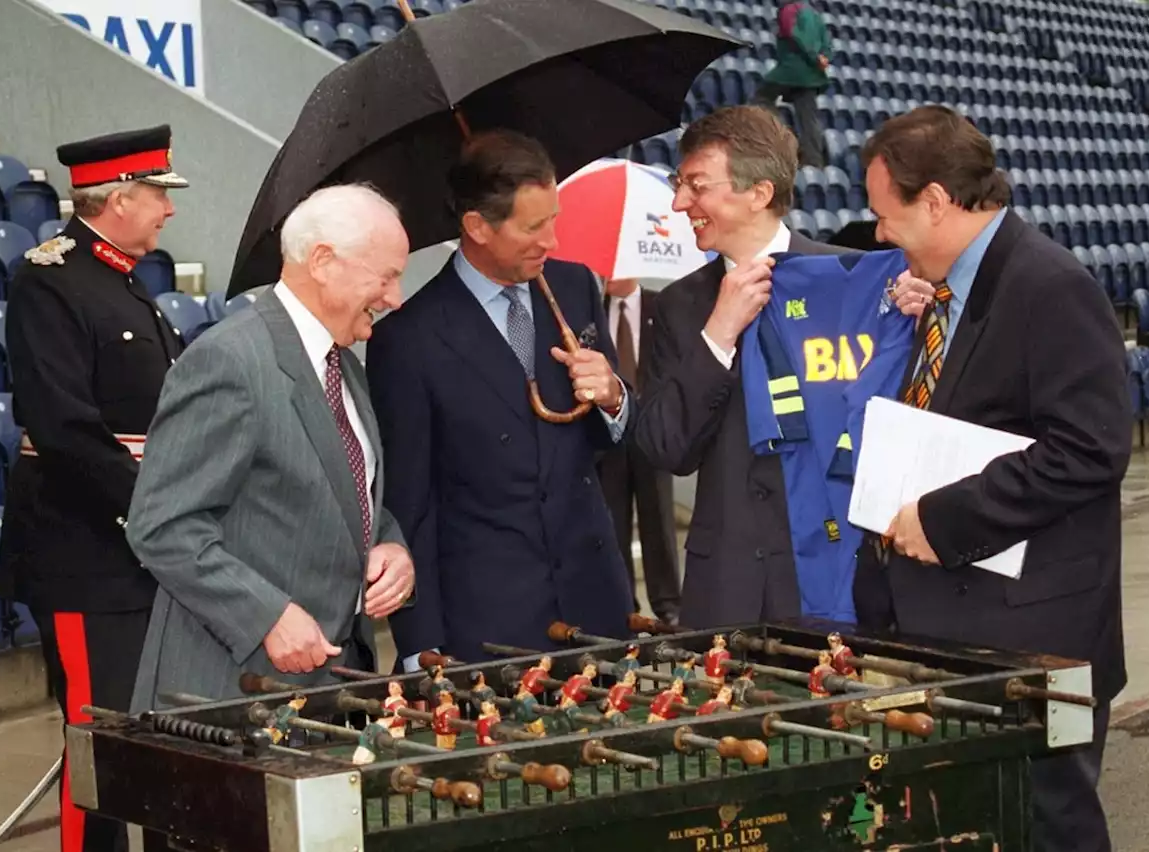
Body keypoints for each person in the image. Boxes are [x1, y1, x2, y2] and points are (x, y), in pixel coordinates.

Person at [857, 104, 1130, 852]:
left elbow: (1092, 449)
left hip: (1038, 637)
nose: (881, 233)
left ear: (937, 201)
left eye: (889, 215)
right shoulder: (947, 290)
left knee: (1048, 828)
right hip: (960, 630)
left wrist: (944, 519)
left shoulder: (1048, 284)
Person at [125, 184, 415, 712]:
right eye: (387, 276)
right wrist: (267, 616)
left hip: (328, 686)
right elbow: (161, 525)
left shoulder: (343, 362)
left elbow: (341, 489)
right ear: (324, 261)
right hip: (231, 691)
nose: (395, 297)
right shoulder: (229, 362)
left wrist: (390, 545)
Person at [635, 105, 927, 629]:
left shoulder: (857, 282)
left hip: (842, 578)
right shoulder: (679, 306)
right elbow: (666, 449)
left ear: (759, 193)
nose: (680, 203)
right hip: (728, 592)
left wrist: (919, 321)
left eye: (696, 186)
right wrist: (717, 336)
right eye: (680, 184)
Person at [365, 129, 635, 667]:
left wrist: (613, 396)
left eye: (554, 219)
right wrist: (420, 645)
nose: (552, 241)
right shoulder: (410, 337)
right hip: (490, 624)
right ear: (476, 227)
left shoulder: (576, 287)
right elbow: (410, 504)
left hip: (596, 604)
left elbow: (616, 436)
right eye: (533, 227)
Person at [0, 124, 187, 852]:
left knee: (161, 737)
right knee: (99, 744)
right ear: (121, 196)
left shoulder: (124, 283)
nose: (168, 212)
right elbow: (65, 426)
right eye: (159, 196)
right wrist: (157, 510)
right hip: (86, 555)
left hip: (142, 554)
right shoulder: (50, 281)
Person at [596, 277, 682, 625]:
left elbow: (674, 361)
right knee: (612, 520)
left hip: (652, 428)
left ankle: (668, 604)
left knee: (659, 518)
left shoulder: (660, 305)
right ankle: (622, 602)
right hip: (608, 432)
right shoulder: (591, 309)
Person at [753, 0, 832, 169]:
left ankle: (783, 135)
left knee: (762, 97)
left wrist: (813, 56)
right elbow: (826, 40)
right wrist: (824, 56)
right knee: (809, 118)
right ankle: (814, 160)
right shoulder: (815, 14)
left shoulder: (789, 10)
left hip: (791, 69)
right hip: (811, 74)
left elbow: (795, 34)